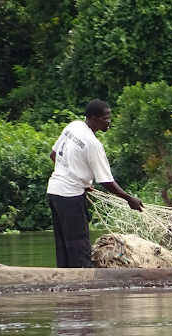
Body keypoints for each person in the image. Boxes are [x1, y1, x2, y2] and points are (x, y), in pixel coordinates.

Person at [47, 99, 143, 268]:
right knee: (79, 247)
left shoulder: (73, 126)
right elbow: (106, 181)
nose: (109, 121)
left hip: (54, 192)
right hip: (70, 197)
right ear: (93, 118)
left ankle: (63, 283)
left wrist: (80, 179)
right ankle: (86, 287)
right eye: (105, 118)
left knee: (63, 247)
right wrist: (129, 199)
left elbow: (54, 155)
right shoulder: (93, 144)